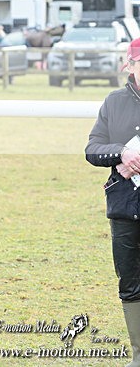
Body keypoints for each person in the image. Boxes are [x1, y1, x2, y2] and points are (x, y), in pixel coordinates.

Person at [86, 38, 140, 367]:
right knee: (131, 281)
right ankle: (139, 353)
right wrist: (121, 152)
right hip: (125, 207)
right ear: (131, 67)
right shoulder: (114, 102)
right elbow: (92, 149)